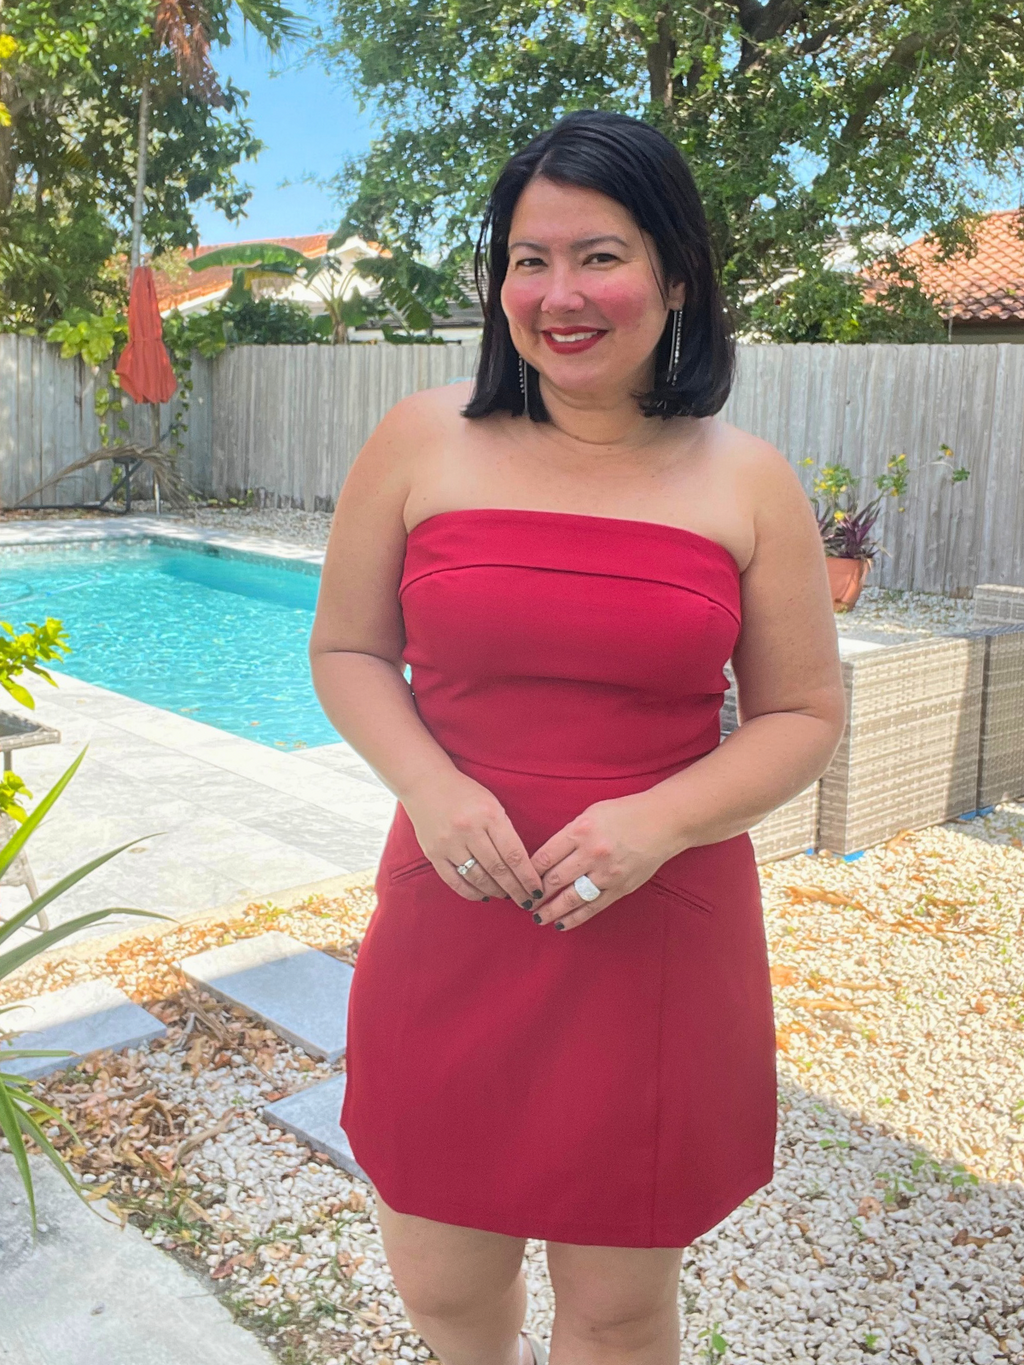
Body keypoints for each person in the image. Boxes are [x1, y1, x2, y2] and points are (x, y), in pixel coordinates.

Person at [309, 109, 845, 1365]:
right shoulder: (419, 439)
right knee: (442, 1283)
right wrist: (432, 789)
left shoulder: (747, 479)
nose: (559, 293)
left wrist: (655, 821)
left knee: (615, 1306)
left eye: (598, 255)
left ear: (672, 274)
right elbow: (343, 650)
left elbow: (804, 715)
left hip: (654, 926)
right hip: (454, 901)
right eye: (527, 258)